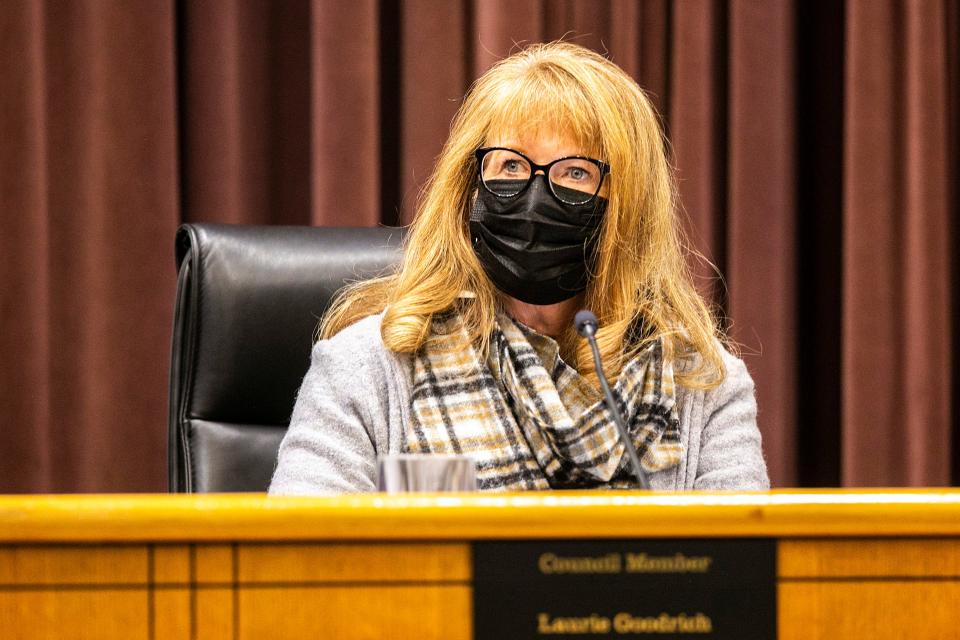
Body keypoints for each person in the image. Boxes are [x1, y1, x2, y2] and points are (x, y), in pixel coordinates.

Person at [269, 42, 768, 494]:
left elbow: (740, 582)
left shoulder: (704, 386)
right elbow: (296, 566)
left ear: (627, 208)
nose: (534, 197)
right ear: (468, 187)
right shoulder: (370, 369)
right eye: (510, 165)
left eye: (575, 172)